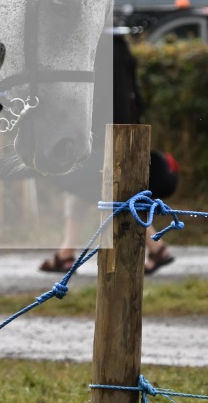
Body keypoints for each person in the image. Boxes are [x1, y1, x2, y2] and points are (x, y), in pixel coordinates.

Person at [40, 29, 178, 275]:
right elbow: (135, 96)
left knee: (109, 192)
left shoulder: (98, 48)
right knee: (90, 190)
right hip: (125, 132)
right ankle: (66, 253)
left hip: (103, 135)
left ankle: (156, 247)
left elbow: (95, 97)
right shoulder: (120, 46)